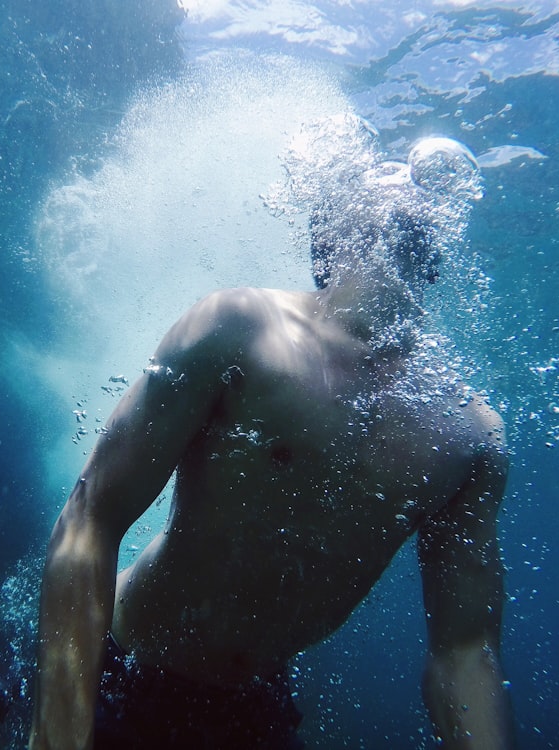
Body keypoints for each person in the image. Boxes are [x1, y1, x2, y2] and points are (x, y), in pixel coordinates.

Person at [29, 137, 516, 749]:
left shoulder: (468, 435)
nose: (403, 180)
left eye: (416, 182)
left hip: (257, 710)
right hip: (122, 674)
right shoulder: (238, 328)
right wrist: (57, 737)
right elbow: (90, 514)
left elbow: (465, 654)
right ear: (328, 233)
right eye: (381, 172)